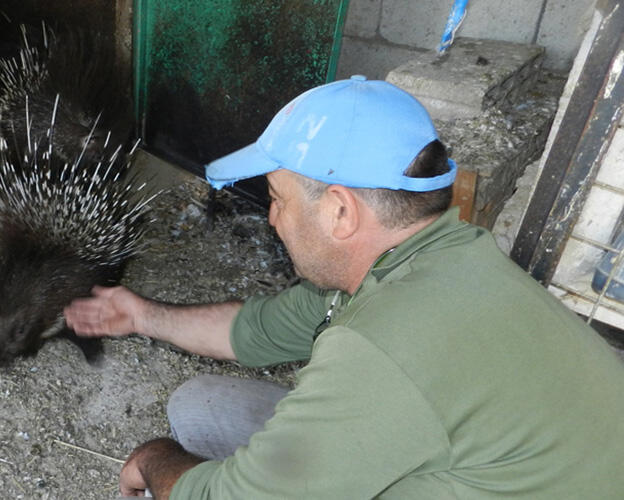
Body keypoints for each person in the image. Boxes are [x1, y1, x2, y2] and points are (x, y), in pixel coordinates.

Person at [63, 76, 624, 499]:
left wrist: (154, 460)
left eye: (278, 199)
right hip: (485, 456)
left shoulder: (385, 345)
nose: (272, 219)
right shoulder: (433, 260)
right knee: (200, 407)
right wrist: (139, 315)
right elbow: (253, 331)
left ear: (339, 211)